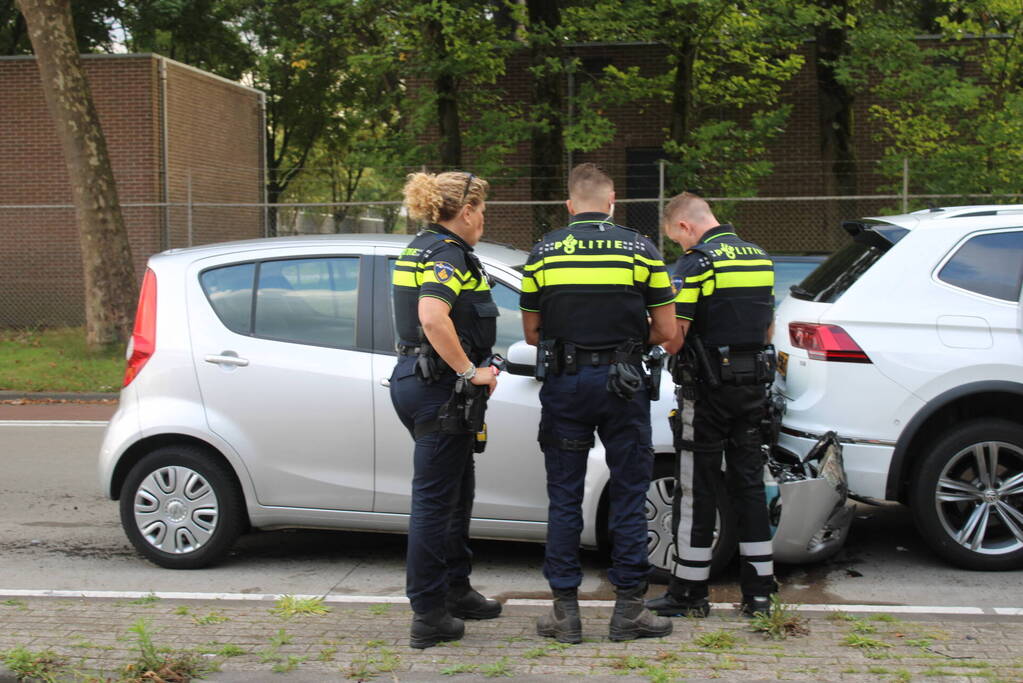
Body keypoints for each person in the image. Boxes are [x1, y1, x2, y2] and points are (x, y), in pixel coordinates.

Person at [520, 163, 677, 643]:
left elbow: (531, 333)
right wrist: (626, 342)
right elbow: (668, 333)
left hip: (566, 384)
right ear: (612, 203)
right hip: (623, 385)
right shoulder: (640, 249)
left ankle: (566, 615)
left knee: (564, 497)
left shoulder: (543, 253)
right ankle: (629, 610)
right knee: (629, 494)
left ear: (570, 205)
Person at [647, 192, 778, 619]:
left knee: (695, 490)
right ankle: (759, 593)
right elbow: (767, 327)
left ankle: (688, 591)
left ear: (685, 226)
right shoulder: (759, 257)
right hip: (753, 389)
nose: (679, 249)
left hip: (706, 394)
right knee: (750, 487)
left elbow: (675, 335)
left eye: (676, 240)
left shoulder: (698, 262)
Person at [390, 171, 503, 649]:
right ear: (468, 210)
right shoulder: (446, 254)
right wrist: (468, 371)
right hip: (439, 389)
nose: (484, 220)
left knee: (457, 493)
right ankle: (428, 615)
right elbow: (432, 316)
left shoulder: (421, 245)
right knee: (435, 504)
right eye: (482, 210)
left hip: (422, 382)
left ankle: (456, 591)